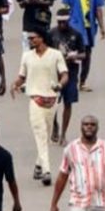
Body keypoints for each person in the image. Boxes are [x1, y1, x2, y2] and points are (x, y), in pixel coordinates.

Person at [11, 30, 68, 187]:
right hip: (35, 99)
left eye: (33, 38)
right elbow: (22, 76)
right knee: (40, 133)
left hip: (52, 99)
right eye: (29, 38)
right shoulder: (27, 56)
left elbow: (64, 74)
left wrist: (59, 85)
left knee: (46, 135)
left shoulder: (55, 54)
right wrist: (15, 84)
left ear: (42, 39)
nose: (30, 41)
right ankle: (46, 171)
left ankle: (38, 165)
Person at [50, 115, 105, 211]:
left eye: (92, 125)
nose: (89, 127)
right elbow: (62, 177)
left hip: (101, 202)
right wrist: (54, 203)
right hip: (79, 202)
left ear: (97, 128)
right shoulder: (71, 149)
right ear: (81, 127)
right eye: (86, 124)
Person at [62, 0, 105, 90]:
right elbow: (65, 8)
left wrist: (102, 27)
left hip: (89, 27)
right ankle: (70, 80)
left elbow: (98, 9)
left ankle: (82, 81)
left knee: (86, 54)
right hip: (74, 27)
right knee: (72, 54)